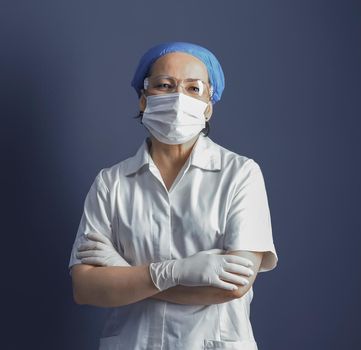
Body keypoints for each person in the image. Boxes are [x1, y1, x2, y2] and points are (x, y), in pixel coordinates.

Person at [68, 42, 278, 350]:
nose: (179, 98)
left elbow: (234, 286)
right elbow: (85, 288)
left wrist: (126, 276)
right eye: (164, 85)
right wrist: (177, 271)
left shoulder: (240, 174)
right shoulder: (111, 183)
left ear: (208, 106)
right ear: (143, 99)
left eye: (193, 89)